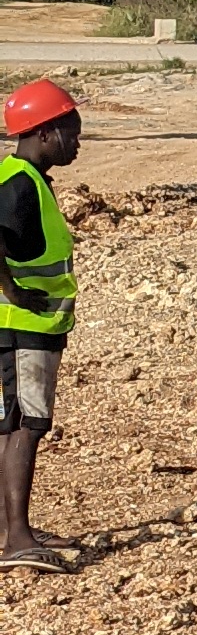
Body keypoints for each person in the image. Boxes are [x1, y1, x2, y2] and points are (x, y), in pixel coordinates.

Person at [0, 79, 82, 569]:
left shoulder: (25, 179)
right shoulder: (19, 182)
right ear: (46, 133)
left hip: (24, 325)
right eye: (72, 133)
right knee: (26, 425)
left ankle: (9, 528)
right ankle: (17, 539)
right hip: (20, 325)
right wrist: (13, 291)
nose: (77, 144)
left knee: (9, 424)